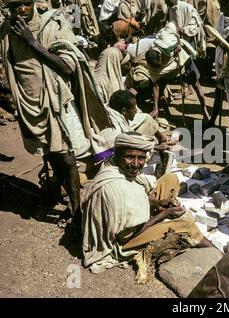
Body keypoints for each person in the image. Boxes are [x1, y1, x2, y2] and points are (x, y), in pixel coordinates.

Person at [0, 0, 112, 234]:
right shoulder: (6, 30)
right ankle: (57, 190)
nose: (21, 9)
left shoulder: (52, 23)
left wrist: (32, 41)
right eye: (15, 6)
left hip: (56, 100)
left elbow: (67, 67)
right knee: (49, 153)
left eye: (25, 4)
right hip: (27, 102)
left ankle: (76, 211)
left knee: (68, 156)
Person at [82, 132, 208, 273]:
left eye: (141, 158)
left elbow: (137, 193)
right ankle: (216, 255)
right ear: (117, 155)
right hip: (122, 241)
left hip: (131, 220)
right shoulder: (116, 190)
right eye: (129, 157)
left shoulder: (114, 165)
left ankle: (157, 219)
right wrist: (161, 216)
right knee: (186, 226)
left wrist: (157, 202)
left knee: (170, 179)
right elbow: (126, 236)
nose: (136, 164)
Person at [145, 21, 208, 119]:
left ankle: (205, 112)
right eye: (157, 66)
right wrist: (155, 107)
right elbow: (155, 86)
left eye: (159, 64)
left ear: (160, 55)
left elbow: (173, 23)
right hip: (168, 72)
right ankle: (168, 115)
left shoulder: (166, 38)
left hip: (183, 61)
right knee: (161, 91)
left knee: (197, 86)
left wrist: (178, 38)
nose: (158, 66)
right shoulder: (153, 67)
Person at [107, 89, 176, 148]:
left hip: (127, 125)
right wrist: (156, 147)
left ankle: (162, 138)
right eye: (134, 109)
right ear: (124, 111)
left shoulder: (120, 113)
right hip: (124, 145)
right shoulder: (115, 127)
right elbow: (126, 146)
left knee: (147, 117)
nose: (136, 111)